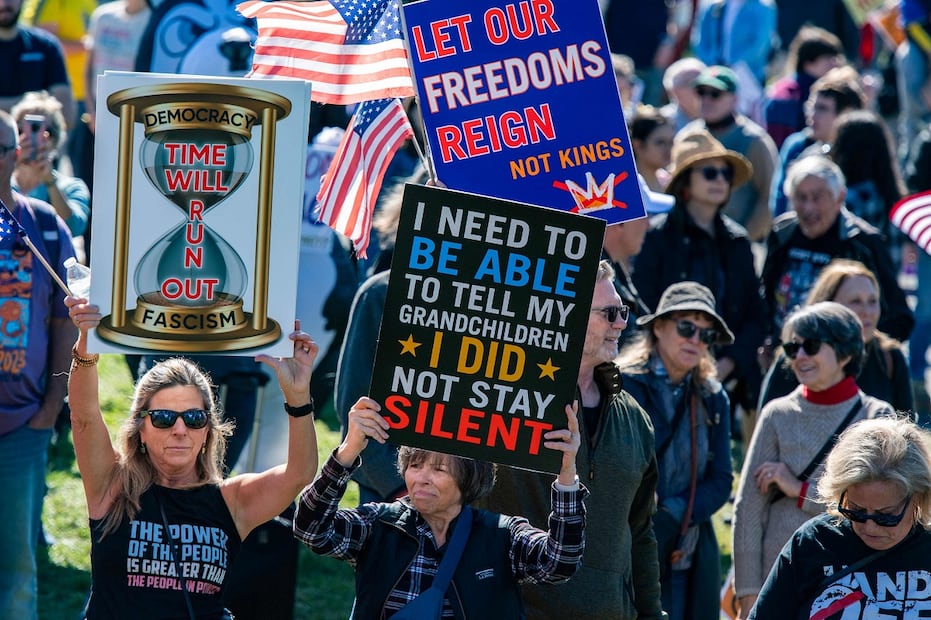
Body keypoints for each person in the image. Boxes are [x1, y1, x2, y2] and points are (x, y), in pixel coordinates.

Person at [65, 296, 320, 619]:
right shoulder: (113, 486)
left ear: (207, 431)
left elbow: (300, 473)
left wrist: (298, 396)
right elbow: (84, 418)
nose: (180, 430)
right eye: (164, 418)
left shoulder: (231, 501)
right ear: (140, 429)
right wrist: (86, 347)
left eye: (194, 418)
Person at [480, 260, 665, 619]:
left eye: (623, 311)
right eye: (609, 313)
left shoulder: (635, 419)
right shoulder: (506, 399)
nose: (621, 323)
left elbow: (641, 532)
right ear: (566, 317)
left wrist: (652, 614)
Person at [294, 397, 586, 619]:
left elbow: (559, 562)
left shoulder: (501, 536)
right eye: (415, 465)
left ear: (469, 478)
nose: (422, 478)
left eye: (439, 470)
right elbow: (311, 529)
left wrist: (566, 474)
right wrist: (349, 449)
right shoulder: (379, 525)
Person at [732, 302, 894, 618]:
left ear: (845, 353)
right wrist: (748, 592)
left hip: (851, 584)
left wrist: (800, 490)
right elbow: (747, 509)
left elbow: (876, 510)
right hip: (778, 583)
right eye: (792, 348)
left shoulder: (876, 415)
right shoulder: (776, 414)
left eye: (811, 346)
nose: (799, 357)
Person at [634, 130, 766, 430]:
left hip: (730, 381)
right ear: (685, 182)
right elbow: (643, 307)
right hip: (662, 377)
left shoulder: (737, 240)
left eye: (725, 173)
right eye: (709, 172)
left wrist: (727, 365)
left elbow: (755, 314)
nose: (720, 180)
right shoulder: (657, 238)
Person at [618, 281, 734, 619]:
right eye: (687, 327)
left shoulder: (713, 396)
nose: (696, 340)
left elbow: (722, 481)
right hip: (622, 546)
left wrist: (671, 513)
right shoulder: (620, 383)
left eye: (706, 334)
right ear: (658, 327)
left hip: (684, 550)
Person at [0, 108, 76, 620]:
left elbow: (66, 320)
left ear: (13, 155)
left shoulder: (43, 225)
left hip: (23, 424)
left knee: (16, 565)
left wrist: (52, 405)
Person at [749, 416, 931, 618]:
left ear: (919, 497)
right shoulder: (814, 542)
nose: (869, 527)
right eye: (856, 511)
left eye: (886, 516)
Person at [761, 155, 913, 346]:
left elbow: (898, 317)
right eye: (801, 197)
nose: (808, 207)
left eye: (817, 197)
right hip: (786, 350)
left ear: (839, 197)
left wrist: (859, 353)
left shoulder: (863, 243)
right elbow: (764, 297)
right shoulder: (783, 233)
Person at [759, 259, 914, 414]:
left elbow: (906, 425)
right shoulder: (798, 355)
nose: (867, 311)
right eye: (856, 301)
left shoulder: (890, 358)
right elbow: (769, 420)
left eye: (872, 301)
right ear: (827, 307)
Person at [683, 65, 779, 241]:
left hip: (737, 243)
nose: (706, 99)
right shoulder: (688, 136)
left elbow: (769, 197)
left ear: (734, 99)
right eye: (701, 92)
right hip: (690, 243)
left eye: (715, 94)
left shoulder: (754, 141)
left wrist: (743, 241)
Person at [769, 66, 865, 218]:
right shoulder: (799, 149)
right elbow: (781, 206)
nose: (812, 115)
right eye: (811, 106)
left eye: (822, 108)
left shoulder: (861, 155)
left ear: (846, 115)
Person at [11, 91, 90, 259]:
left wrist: (50, 182)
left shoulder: (71, 186)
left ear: (55, 139)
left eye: (44, 131)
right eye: (22, 129)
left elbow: (74, 227)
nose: (32, 138)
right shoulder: (4, 181)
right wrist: (11, 161)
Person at [602, 173, 674, 346]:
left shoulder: (612, 269)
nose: (649, 225)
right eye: (646, 214)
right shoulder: (596, 280)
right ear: (621, 221)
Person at [763, 26, 844, 148]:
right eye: (829, 59)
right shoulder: (786, 96)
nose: (836, 65)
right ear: (808, 63)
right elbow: (779, 144)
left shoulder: (824, 91)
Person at [0, 0, 74, 126]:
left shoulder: (45, 45)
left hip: (40, 137)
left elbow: (66, 115)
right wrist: (36, 103)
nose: (3, 4)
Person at [630, 106, 673, 192]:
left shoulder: (670, 183)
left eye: (671, 142)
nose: (669, 149)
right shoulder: (627, 185)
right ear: (638, 145)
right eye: (660, 142)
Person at [660, 57, 706, 131]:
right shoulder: (662, 122)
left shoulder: (718, 117)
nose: (703, 89)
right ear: (675, 91)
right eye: (694, 84)